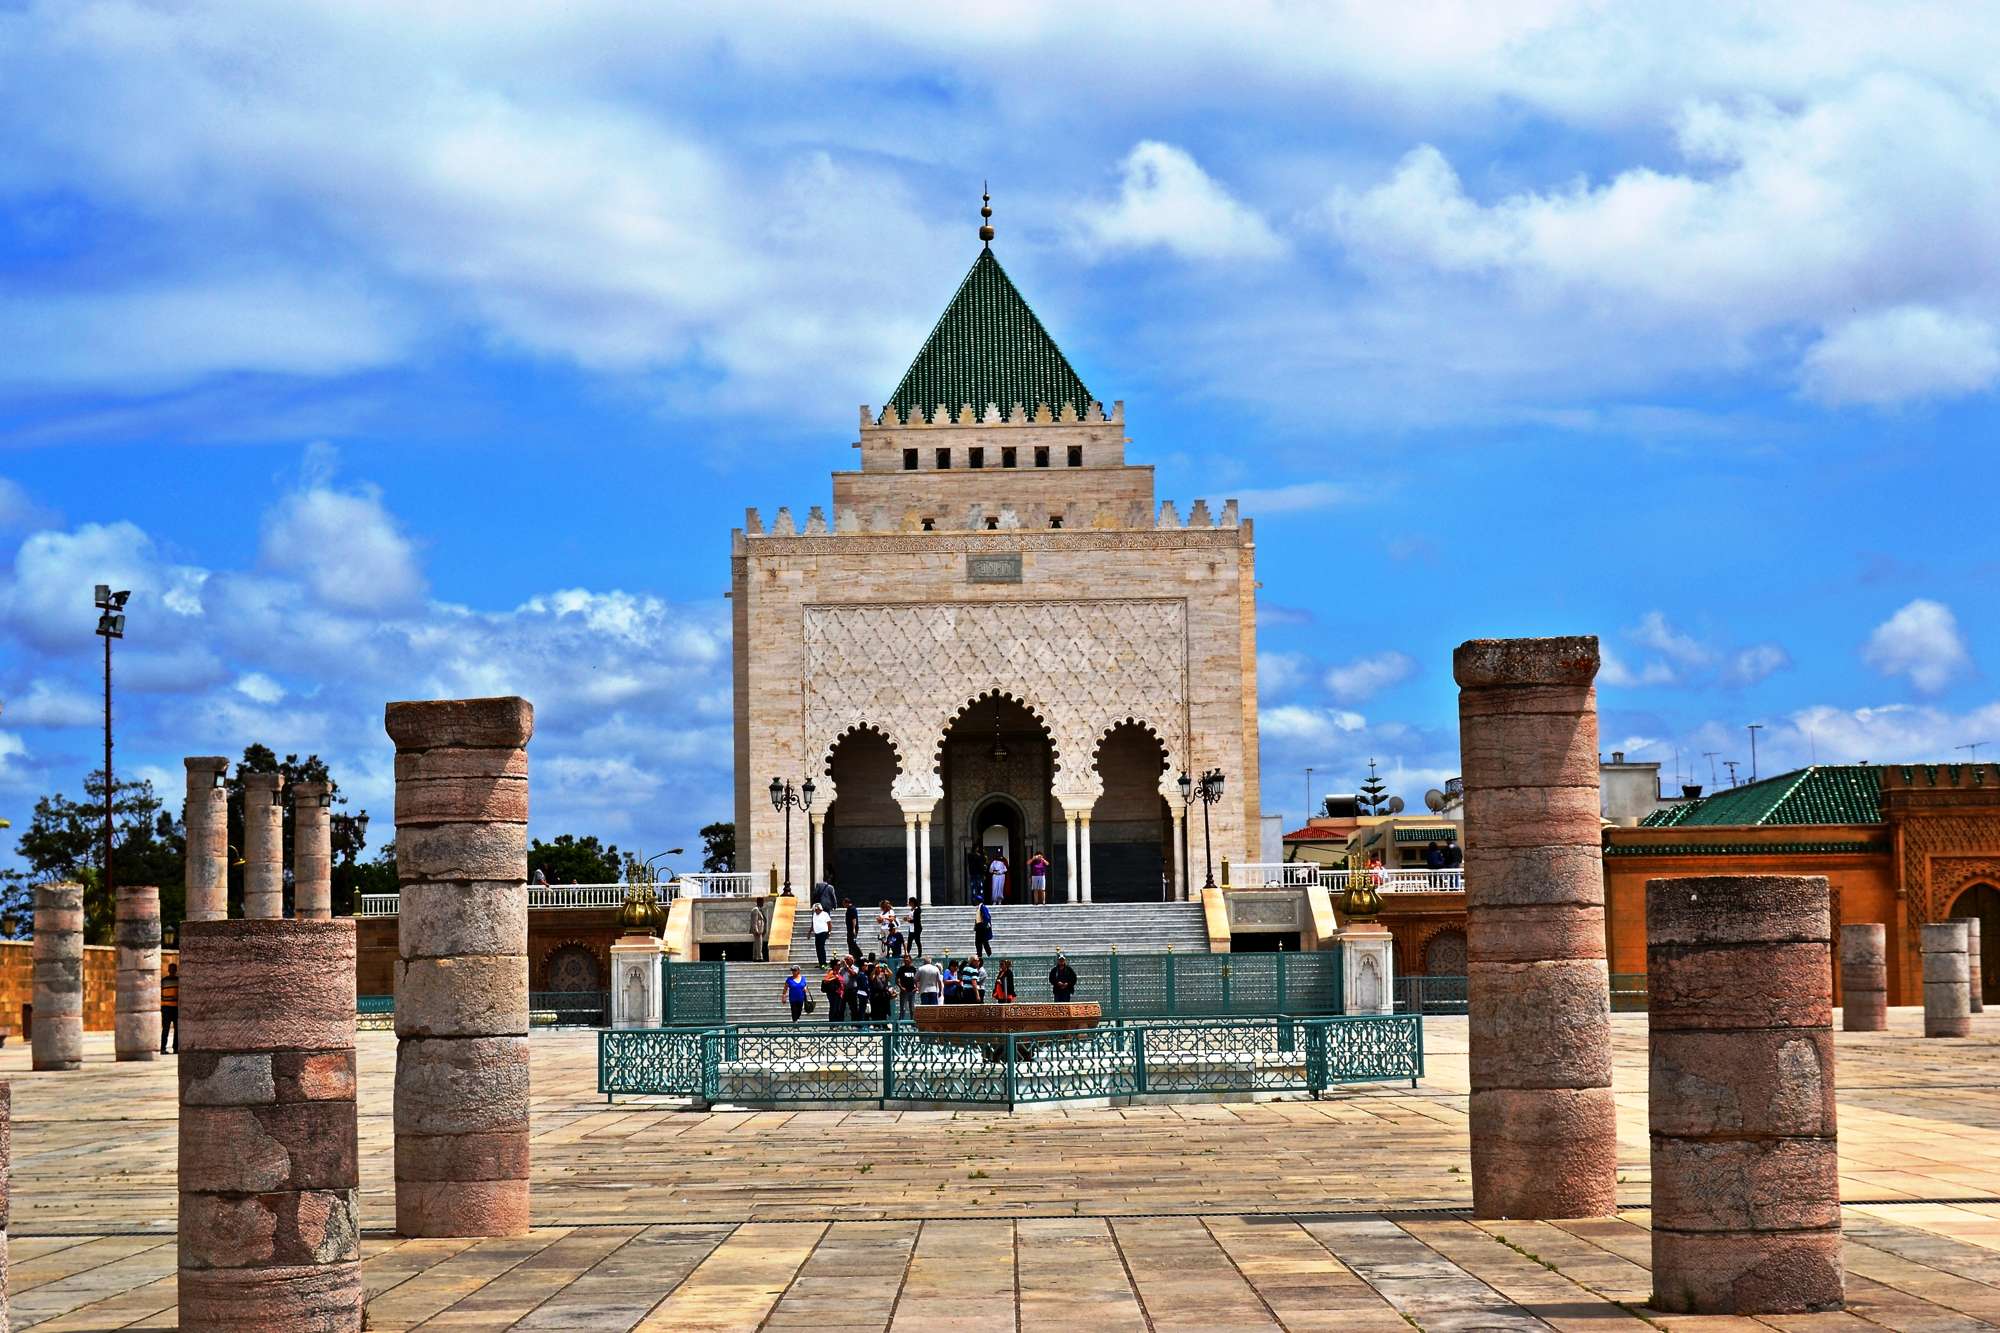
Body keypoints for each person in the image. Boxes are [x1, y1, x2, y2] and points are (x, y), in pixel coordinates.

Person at [159, 962, 180, 1054]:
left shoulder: (178, 981)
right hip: (167, 1008)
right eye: (171, 969)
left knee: (176, 1029)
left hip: (174, 1008)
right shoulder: (164, 981)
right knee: (167, 1029)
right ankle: (163, 1048)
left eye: (173, 969)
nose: (172, 971)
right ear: (168, 970)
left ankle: (174, 1048)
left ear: (175, 970)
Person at [811, 903, 832, 967]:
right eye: (815, 910)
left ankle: (824, 962)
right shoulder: (814, 914)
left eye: (817, 909)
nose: (816, 911)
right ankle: (820, 963)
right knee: (817, 948)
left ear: (820, 909)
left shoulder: (825, 914)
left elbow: (829, 923)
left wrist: (829, 932)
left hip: (823, 933)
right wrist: (810, 931)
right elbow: (813, 923)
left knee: (821, 947)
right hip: (817, 933)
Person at [750, 898, 768, 962]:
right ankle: (759, 957)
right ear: (758, 902)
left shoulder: (760, 910)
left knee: (756, 944)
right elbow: (754, 921)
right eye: (762, 902)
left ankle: (755, 957)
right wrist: (756, 930)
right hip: (758, 930)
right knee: (759, 944)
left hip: (760, 929)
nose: (763, 903)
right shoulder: (755, 910)